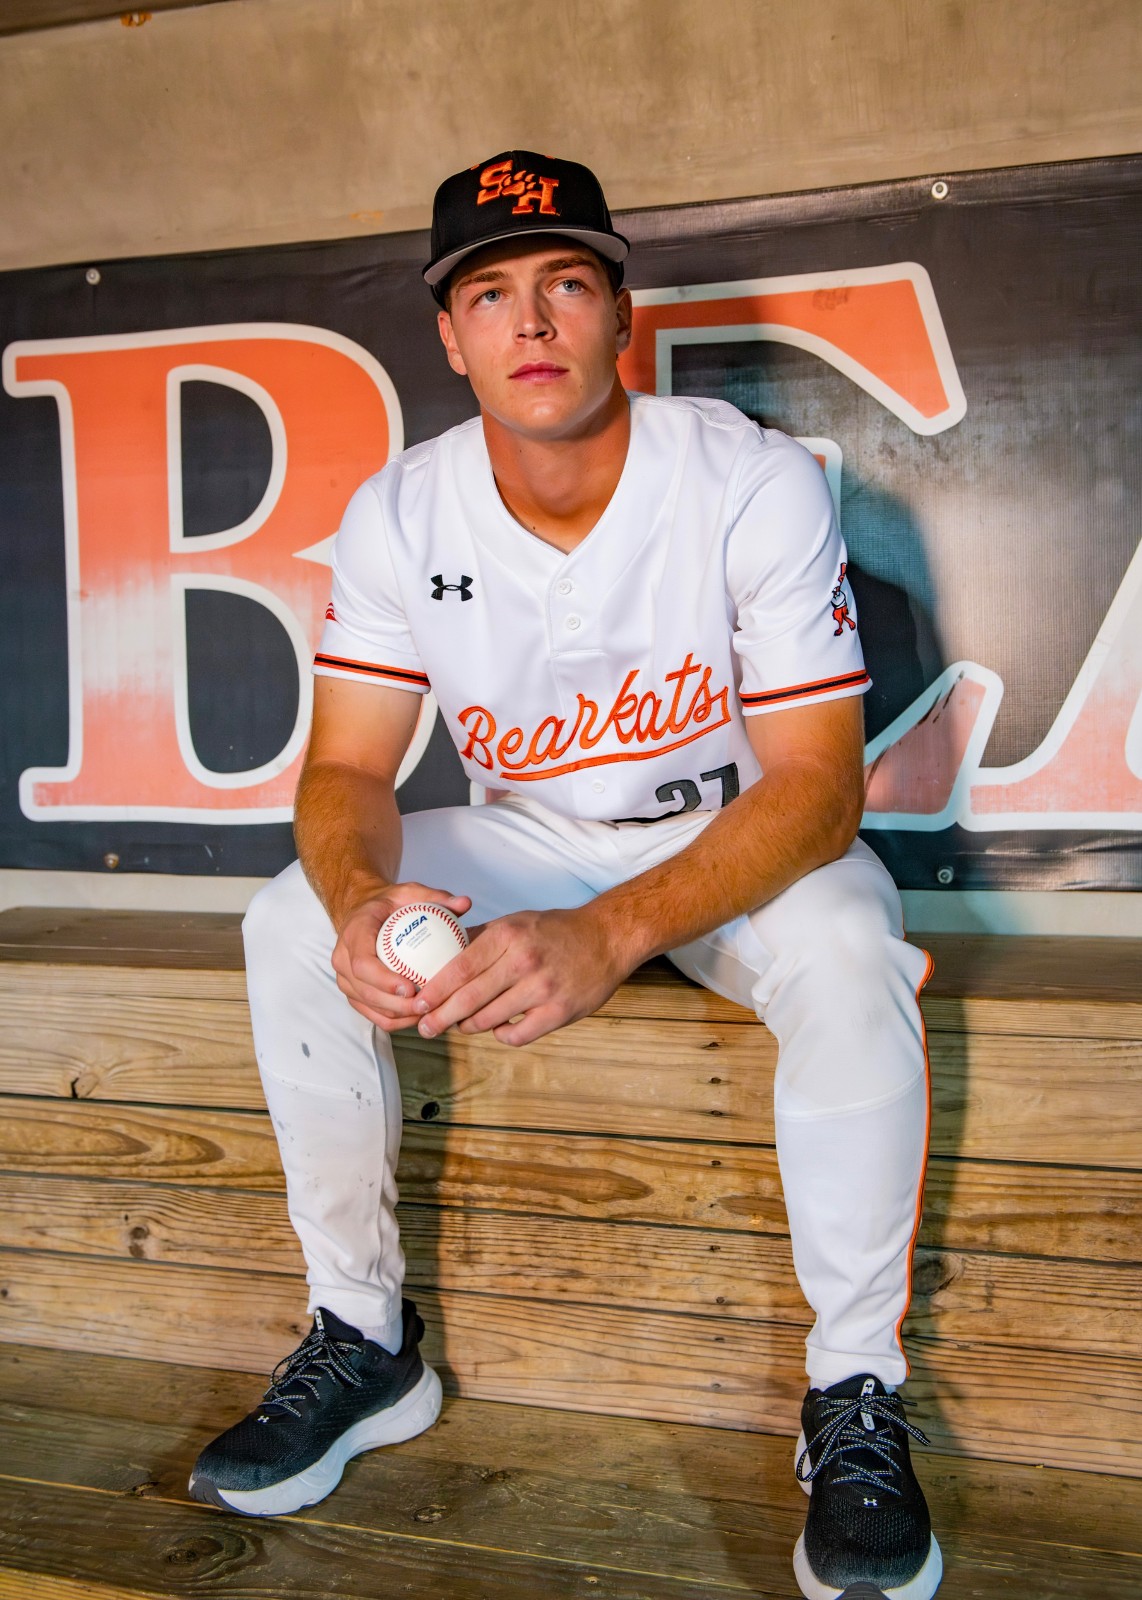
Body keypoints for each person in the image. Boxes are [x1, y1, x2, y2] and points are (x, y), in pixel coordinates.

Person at [190, 150, 942, 1600]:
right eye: (490, 294)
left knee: (854, 951)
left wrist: (610, 932)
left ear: (619, 315)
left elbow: (817, 787)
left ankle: (854, 1392)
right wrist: (358, 901)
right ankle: (363, 1341)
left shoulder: (748, 479)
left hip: (733, 834)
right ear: (449, 335)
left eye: (565, 285)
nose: (529, 322)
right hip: (525, 828)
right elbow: (346, 772)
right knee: (287, 921)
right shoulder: (401, 511)